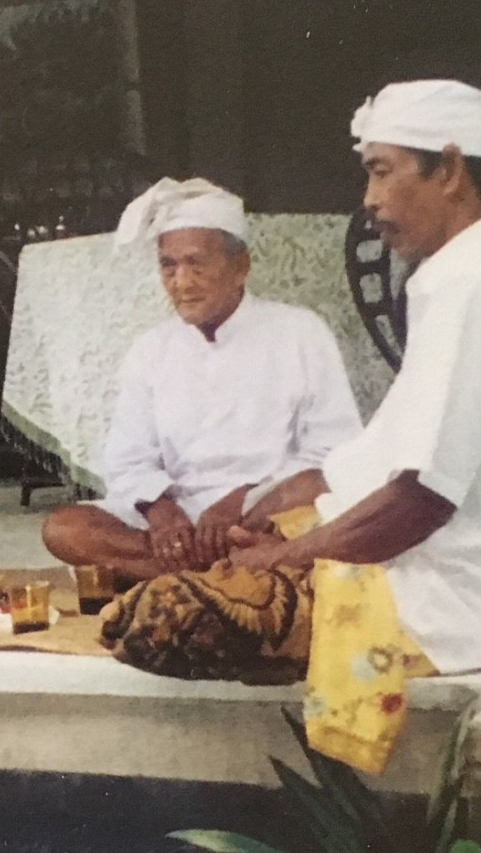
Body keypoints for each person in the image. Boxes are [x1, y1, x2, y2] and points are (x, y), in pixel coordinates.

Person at [104, 80, 481, 771]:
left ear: (449, 169)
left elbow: (421, 499)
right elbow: (382, 461)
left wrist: (289, 555)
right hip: (423, 551)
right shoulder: (473, 271)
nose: (370, 200)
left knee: (158, 618)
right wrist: (289, 520)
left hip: (461, 588)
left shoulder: (478, 283)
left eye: (382, 172)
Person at [43, 177, 361, 580]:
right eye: (169, 266)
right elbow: (128, 460)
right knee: (64, 529)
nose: (182, 283)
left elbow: (333, 451)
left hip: (261, 510)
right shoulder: (150, 349)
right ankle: (231, 568)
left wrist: (240, 500)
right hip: (178, 522)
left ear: (240, 266)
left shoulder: (300, 331)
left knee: (316, 486)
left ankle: (177, 574)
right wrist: (163, 515)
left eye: (197, 264)